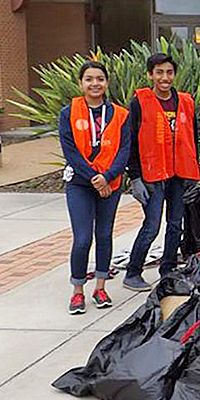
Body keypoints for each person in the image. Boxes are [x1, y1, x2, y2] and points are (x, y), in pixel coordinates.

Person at [123, 53, 200, 291]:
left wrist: (192, 174)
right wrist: (135, 177)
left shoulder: (186, 101)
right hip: (152, 176)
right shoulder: (140, 102)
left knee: (175, 224)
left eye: (169, 72)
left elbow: (192, 138)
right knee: (152, 225)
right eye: (159, 72)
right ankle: (133, 272)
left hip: (178, 175)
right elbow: (130, 142)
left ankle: (168, 268)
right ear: (150, 75)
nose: (164, 78)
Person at [59, 61, 131, 314]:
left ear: (106, 83)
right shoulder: (69, 112)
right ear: (81, 83)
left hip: (110, 183)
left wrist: (108, 177)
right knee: (82, 238)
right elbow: (70, 151)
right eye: (89, 79)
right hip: (80, 183)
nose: (94, 84)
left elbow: (124, 150)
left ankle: (100, 287)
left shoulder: (120, 114)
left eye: (99, 79)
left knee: (104, 234)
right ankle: (78, 291)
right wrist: (94, 178)